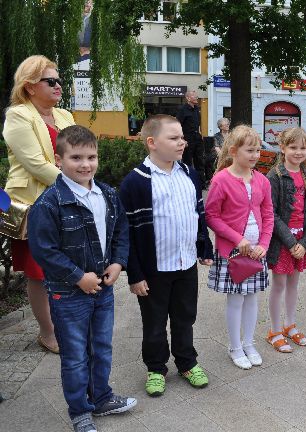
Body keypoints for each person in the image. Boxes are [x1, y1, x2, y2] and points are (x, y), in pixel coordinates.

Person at [28, 125, 136, 432]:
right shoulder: (49, 203)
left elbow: (120, 232)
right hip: (68, 295)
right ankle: (79, 411)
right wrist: (78, 277)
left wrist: (118, 262)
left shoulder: (108, 194)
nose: (85, 164)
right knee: (75, 356)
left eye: (91, 157)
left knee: (101, 347)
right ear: (58, 159)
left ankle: (101, 398)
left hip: (102, 290)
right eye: (76, 157)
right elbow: (44, 250)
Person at [120, 115, 214, 395]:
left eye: (182, 137)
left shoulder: (189, 174)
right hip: (154, 270)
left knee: (186, 317)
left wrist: (203, 246)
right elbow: (127, 234)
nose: (182, 142)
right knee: (155, 322)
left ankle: (186, 361)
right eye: (173, 138)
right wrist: (134, 275)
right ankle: (155, 367)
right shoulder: (135, 183)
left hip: (185, 264)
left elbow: (198, 215)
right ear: (152, 143)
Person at [3, 55, 76, 354]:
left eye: (59, 80)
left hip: (65, 201)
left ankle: (66, 325)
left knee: (66, 266)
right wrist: (77, 187)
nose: (59, 85)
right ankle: (48, 333)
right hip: (33, 203)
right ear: (30, 86)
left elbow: (78, 153)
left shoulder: (66, 116)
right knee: (38, 271)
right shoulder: (18, 115)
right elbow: (35, 163)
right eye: (51, 81)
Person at [205, 125, 274, 368]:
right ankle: (235, 347)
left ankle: (249, 342)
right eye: (250, 150)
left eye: (258, 150)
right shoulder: (221, 180)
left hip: (257, 251)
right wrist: (238, 239)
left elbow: (268, 215)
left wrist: (264, 244)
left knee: (252, 298)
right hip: (233, 251)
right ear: (233, 151)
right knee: (236, 299)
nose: (256, 155)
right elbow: (212, 216)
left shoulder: (263, 181)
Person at [265, 128, 306, 353]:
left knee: (294, 284)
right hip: (283, 242)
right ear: (282, 148)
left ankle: (290, 324)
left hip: (301, 242)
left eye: (303, 148)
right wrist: (291, 243)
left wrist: (304, 243)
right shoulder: (275, 176)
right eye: (293, 147)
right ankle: (274, 330)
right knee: (278, 285)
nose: (299, 152)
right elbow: (272, 213)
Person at [176, 90, 205, 186]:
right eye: (194, 96)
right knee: (188, 161)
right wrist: (182, 139)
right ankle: (188, 183)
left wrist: (200, 134)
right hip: (188, 140)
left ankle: (201, 183)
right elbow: (177, 125)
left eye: (196, 95)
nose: (196, 97)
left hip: (197, 139)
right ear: (188, 98)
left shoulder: (197, 109)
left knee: (199, 161)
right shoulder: (182, 110)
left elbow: (198, 124)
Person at [207, 117, 230, 183]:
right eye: (225, 125)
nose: (228, 125)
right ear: (220, 127)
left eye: (228, 124)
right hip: (219, 155)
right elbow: (217, 148)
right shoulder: (217, 136)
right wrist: (224, 156)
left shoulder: (231, 135)